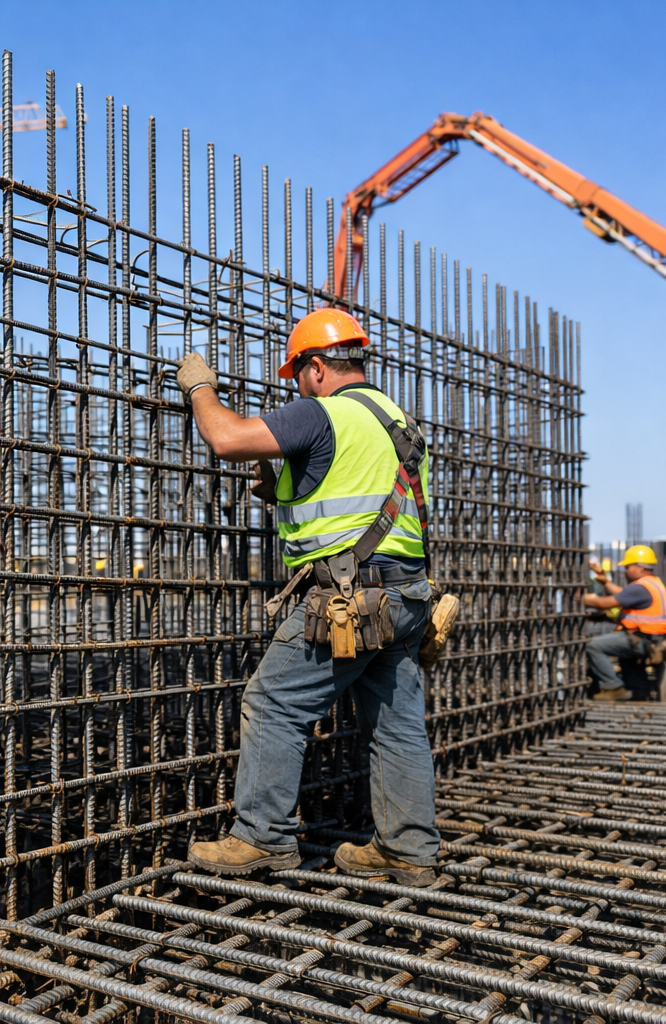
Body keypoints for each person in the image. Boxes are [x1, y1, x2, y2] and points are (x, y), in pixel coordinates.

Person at [174, 308, 440, 886]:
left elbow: (225, 438)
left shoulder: (322, 413)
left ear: (317, 367)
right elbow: (357, 496)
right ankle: (409, 850)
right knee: (397, 725)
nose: (296, 384)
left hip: (351, 600)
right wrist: (289, 487)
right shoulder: (397, 420)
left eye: (298, 371)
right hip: (407, 598)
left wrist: (201, 388)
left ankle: (262, 838)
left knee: (272, 703)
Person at [582, 545, 666, 701]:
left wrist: (577, 598)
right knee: (620, 646)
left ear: (640, 568)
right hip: (656, 640)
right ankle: (638, 688)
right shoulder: (652, 583)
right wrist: (605, 582)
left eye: (627, 566)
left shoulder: (640, 587)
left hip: (642, 641)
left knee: (592, 645)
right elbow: (623, 594)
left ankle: (612, 686)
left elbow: (605, 603)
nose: (624, 570)